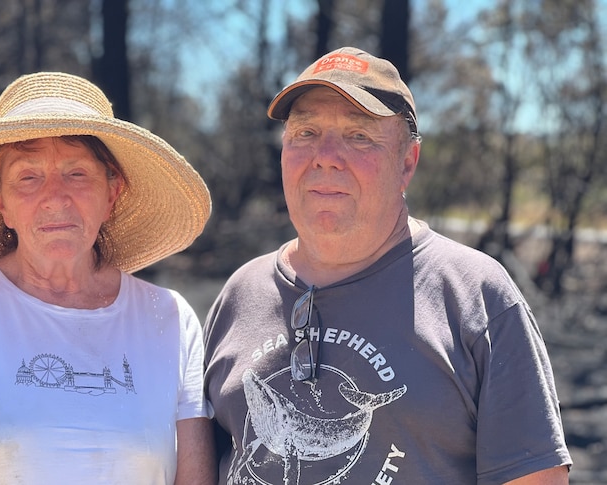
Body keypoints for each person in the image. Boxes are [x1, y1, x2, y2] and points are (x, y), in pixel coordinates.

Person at [203, 47, 572, 484]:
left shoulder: (477, 296)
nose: (325, 155)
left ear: (407, 163)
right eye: (305, 132)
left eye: (359, 136)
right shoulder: (240, 294)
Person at [0, 72, 216, 484]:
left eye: (76, 173)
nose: (55, 197)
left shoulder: (171, 320)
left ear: (112, 193)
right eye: (28, 177)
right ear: (0, 200)